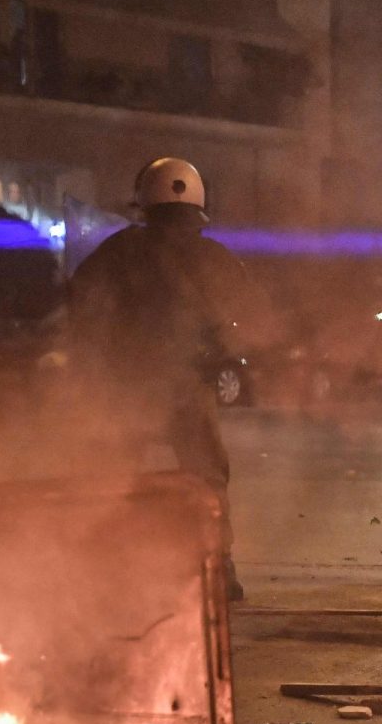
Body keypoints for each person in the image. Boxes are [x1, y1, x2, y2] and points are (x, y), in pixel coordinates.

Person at [68, 157, 264, 599]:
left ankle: (108, 569)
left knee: (116, 477)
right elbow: (248, 320)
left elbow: (83, 311)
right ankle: (220, 568)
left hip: (129, 386)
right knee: (207, 476)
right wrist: (217, 357)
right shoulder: (216, 257)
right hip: (189, 386)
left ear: (144, 200)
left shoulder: (116, 252)